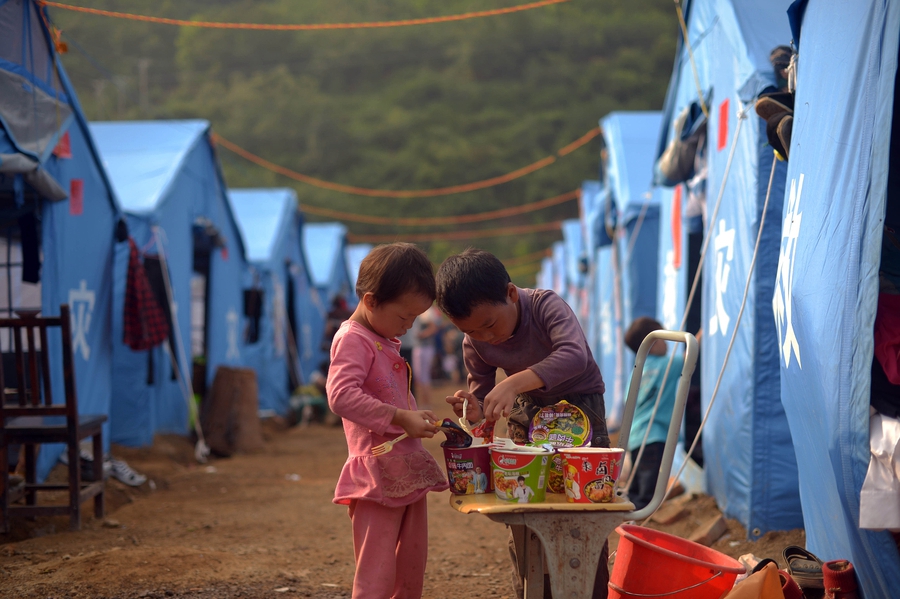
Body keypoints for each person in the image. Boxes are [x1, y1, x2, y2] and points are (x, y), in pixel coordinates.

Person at [435, 248, 610, 599]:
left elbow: (574, 355)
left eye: (489, 324)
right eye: (470, 331)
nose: (486, 337)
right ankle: (533, 589)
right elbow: (482, 399)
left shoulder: (545, 305)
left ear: (511, 294)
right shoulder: (475, 342)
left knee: (584, 506)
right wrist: (474, 410)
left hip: (580, 412)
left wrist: (514, 383)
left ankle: (591, 590)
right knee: (524, 507)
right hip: (527, 415)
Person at [326, 242, 449, 599]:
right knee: (377, 573)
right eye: (404, 317)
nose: (409, 327)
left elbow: (387, 390)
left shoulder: (383, 338)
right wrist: (398, 417)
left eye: (414, 319)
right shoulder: (353, 339)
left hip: (405, 468)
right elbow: (341, 395)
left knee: (411, 564)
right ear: (371, 301)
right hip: (376, 476)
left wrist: (414, 414)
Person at [623, 316, 684, 511]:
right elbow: (692, 352)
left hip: (636, 436)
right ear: (653, 343)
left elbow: (628, 403)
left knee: (637, 483)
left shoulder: (637, 370)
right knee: (648, 490)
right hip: (654, 435)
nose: (666, 344)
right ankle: (639, 523)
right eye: (663, 339)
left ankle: (630, 512)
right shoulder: (667, 366)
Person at [410, 305, 440, 407]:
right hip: (422, 347)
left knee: (423, 376)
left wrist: (421, 335)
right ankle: (424, 402)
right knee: (421, 376)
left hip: (424, 348)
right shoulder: (426, 311)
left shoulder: (426, 312)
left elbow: (433, 327)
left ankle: (426, 402)